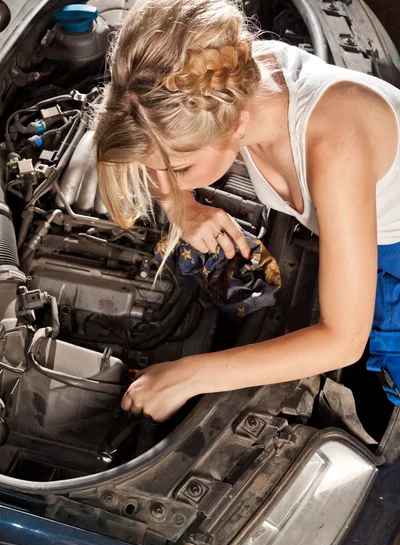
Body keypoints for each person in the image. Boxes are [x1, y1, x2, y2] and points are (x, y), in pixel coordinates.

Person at [93, 0, 400, 421]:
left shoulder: (334, 145)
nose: (165, 178)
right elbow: (154, 142)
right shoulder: (219, 77)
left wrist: (185, 376)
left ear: (238, 124)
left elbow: (342, 340)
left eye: (180, 169)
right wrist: (181, 206)